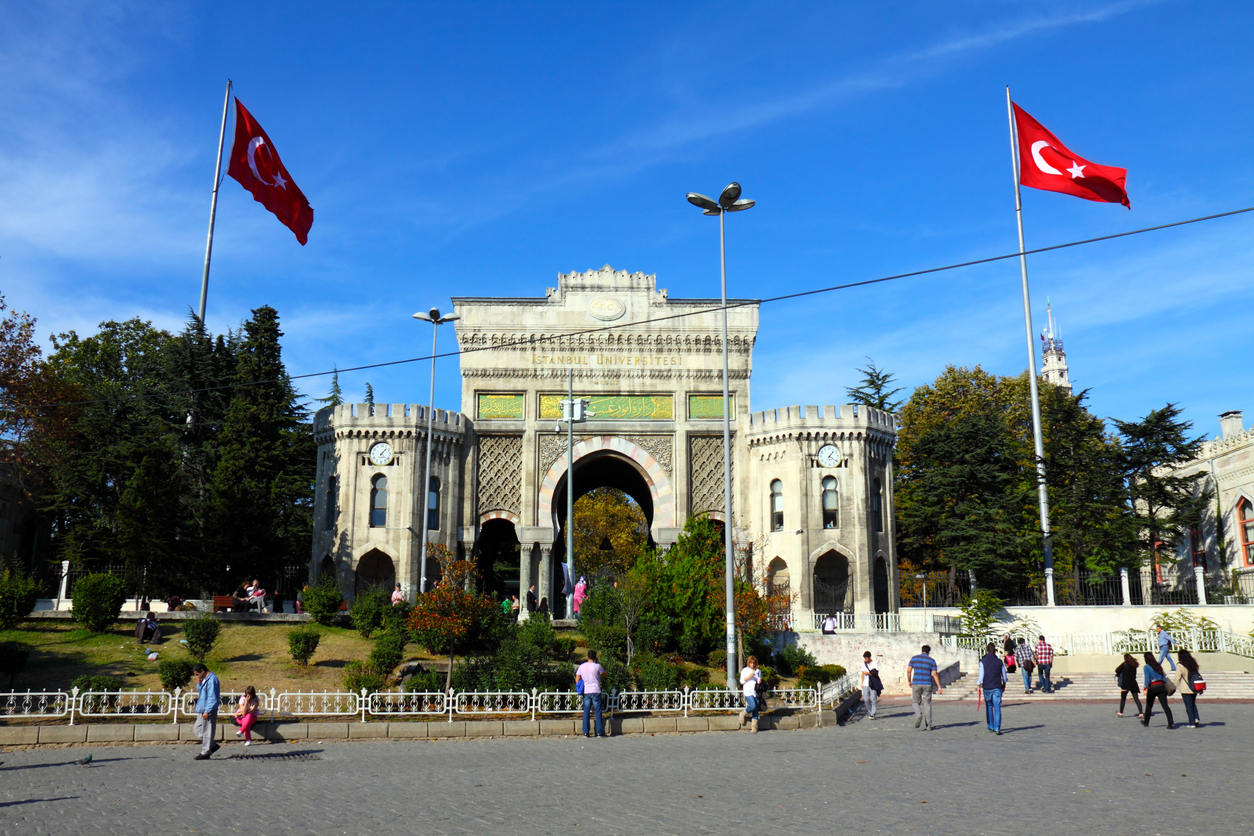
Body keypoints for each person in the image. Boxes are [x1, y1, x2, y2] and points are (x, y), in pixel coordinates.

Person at [907, 644, 942, 731]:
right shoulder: (932, 661)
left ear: (921, 650)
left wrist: (909, 680)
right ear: (929, 652)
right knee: (927, 704)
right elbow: (934, 674)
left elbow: (909, 670)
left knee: (915, 702)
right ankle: (929, 725)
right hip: (927, 683)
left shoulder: (914, 658)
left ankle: (918, 714)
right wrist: (939, 686)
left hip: (916, 683)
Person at [191, 663, 221, 760]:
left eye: (197, 674)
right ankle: (212, 745)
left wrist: (207, 711)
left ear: (202, 671)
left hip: (208, 710)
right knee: (198, 729)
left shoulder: (212, 680)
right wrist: (199, 683)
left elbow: (212, 697)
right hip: (201, 708)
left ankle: (205, 752)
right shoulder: (204, 679)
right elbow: (201, 691)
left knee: (207, 731)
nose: (197, 676)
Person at [576, 649, 607, 738]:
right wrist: (598, 663)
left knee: (586, 712)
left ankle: (586, 732)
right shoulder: (597, 666)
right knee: (598, 712)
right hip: (596, 690)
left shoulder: (582, 666)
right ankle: (599, 732)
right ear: (595, 657)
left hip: (586, 691)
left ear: (587, 657)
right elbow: (604, 673)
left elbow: (577, 678)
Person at [1140, 652, 1175, 728]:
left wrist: (1145, 687)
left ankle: (1146, 722)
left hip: (1153, 687)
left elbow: (1147, 678)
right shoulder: (1158, 665)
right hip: (1161, 686)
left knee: (1149, 705)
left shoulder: (1146, 667)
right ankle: (1171, 722)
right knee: (1165, 706)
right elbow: (1163, 677)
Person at [979, 642, 1007, 734]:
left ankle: (990, 725)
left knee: (989, 706)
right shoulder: (999, 662)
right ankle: (997, 728)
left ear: (987, 652)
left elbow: (981, 675)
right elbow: (1004, 675)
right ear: (995, 652)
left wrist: (979, 684)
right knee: (997, 707)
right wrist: (1004, 684)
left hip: (987, 686)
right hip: (997, 686)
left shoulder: (983, 661)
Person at [1176, 649, 1203, 728]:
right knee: (1192, 703)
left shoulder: (1180, 665)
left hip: (1185, 688)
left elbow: (1177, 677)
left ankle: (1191, 723)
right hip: (1194, 687)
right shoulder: (1193, 663)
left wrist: (1173, 686)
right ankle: (1196, 718)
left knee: (1188, 705)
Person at [1115, 653, 1143, 718]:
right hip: (1133, 683)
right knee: (1136, 699)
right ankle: (1141, 712)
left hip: (1125, 684)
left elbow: (1117, 670)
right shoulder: (1134, 665)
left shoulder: (1124, 664)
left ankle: (1121, 712)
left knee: (1123, 699)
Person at [740, 655, 763, 733]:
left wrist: (759, 681)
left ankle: (754, 727)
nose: (752, 665)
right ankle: (743, 713)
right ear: (748, 663)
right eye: (751, 663)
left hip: (756, 692)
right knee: (752, 706)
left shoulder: (758, 671)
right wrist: (749, 676)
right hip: (748, 691)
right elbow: (742, 681)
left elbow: (759, 679)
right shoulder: (745, 670)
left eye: (754, 663)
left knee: (756, 708)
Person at [859, 651, 880, 720]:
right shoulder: (864, 664)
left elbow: (876, 673)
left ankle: (873, 713)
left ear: (869, 657)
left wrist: (868, 673)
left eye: (866, 658)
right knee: (866, 700)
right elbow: (862, 673)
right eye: (864, 658)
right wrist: (862, 683)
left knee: (873, 699)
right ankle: (870, 712)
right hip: (865, 684)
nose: (865, 660)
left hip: (873, 683)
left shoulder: (874, 664)